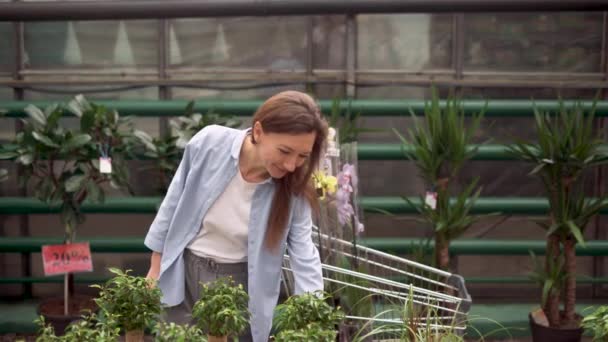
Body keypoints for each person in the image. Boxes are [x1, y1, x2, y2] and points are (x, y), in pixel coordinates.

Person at [144, 90, 327, 342]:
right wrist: (156, 267)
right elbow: (173, 203)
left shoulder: (294, 188)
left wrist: (312, 310)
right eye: (285, 151)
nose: (291, 165)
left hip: (243, 284)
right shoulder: (209, 143)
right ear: (259, 131)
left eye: (302, 156)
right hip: (186, 270)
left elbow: (304, 251)